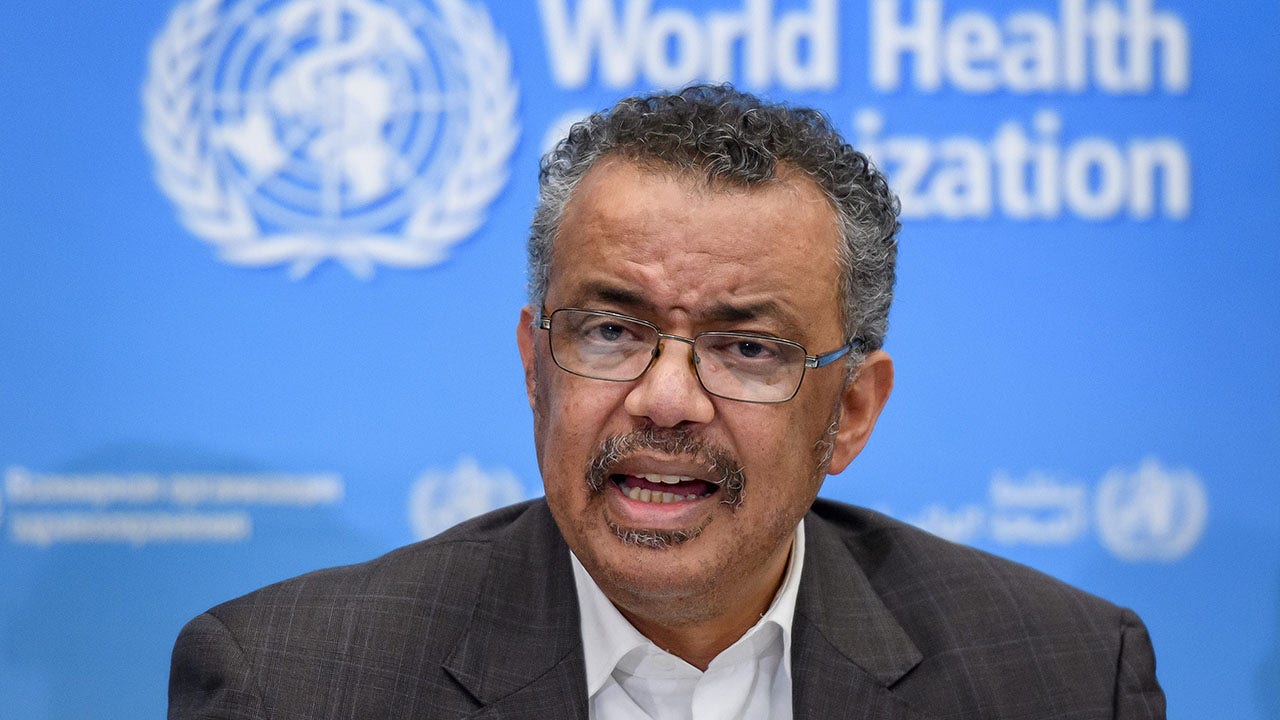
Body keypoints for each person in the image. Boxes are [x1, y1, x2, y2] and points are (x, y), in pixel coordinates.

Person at [169, 85, 1166, 719]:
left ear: (852, 412)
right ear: (534, 367)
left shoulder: (1063, 678)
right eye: (610, 331)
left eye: (747, 347)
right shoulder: (293, 685)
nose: (665, 398)